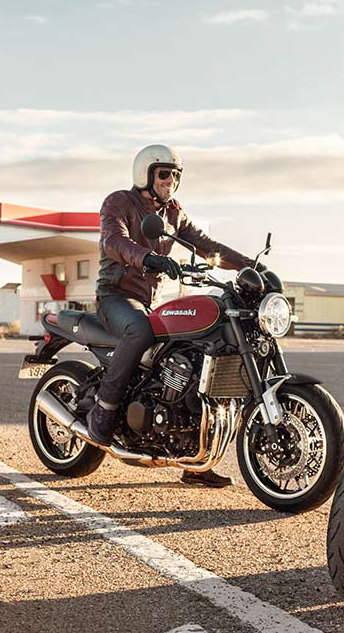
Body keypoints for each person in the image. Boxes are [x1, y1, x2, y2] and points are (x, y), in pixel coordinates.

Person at [85, 144, 253, 488]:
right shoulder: (118, 202)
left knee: (200, 352)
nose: (171, 180)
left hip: (151, 301)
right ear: (145, 174)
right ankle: (103, 408)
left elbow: (209, 247)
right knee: (140, 331)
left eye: (176, 175)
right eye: (164, 173)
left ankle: (196, 460)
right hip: (116, 296)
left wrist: (252, 266)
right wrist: (149, 258)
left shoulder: (174, 213)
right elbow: (113, 242)